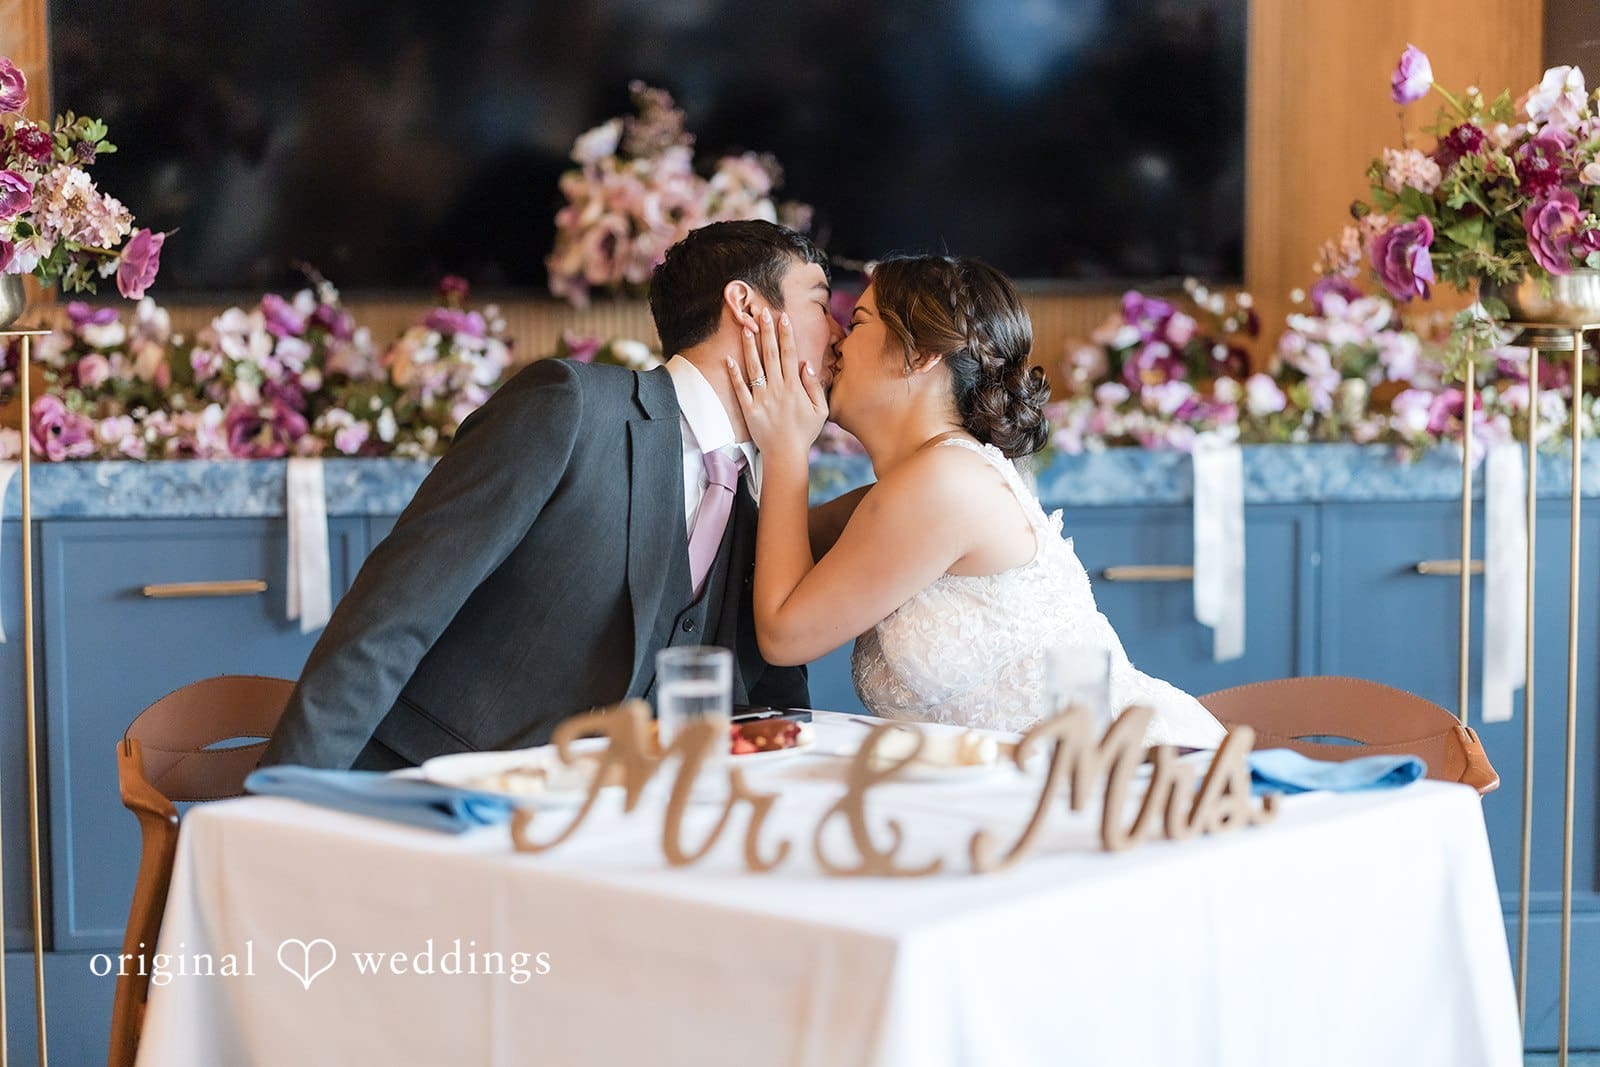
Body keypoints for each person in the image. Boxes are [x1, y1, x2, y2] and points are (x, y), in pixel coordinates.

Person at [261, 220, 843, 769]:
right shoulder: (572, 407)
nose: (839, 337)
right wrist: (281, 804)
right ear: (747, 308)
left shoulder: (769, 480)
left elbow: (772, 705)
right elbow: (389, 620)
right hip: (431, 797)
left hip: (602, 833)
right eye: (820, 303)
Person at [725, 254, 1227, 748]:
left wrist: (786, 449)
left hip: (1124, 776)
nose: (836, 340)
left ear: (920, 354)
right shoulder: (921, 482)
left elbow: (784, 635)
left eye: (857, 323)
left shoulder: (946, 483)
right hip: (1024, 789)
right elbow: (764, 544)